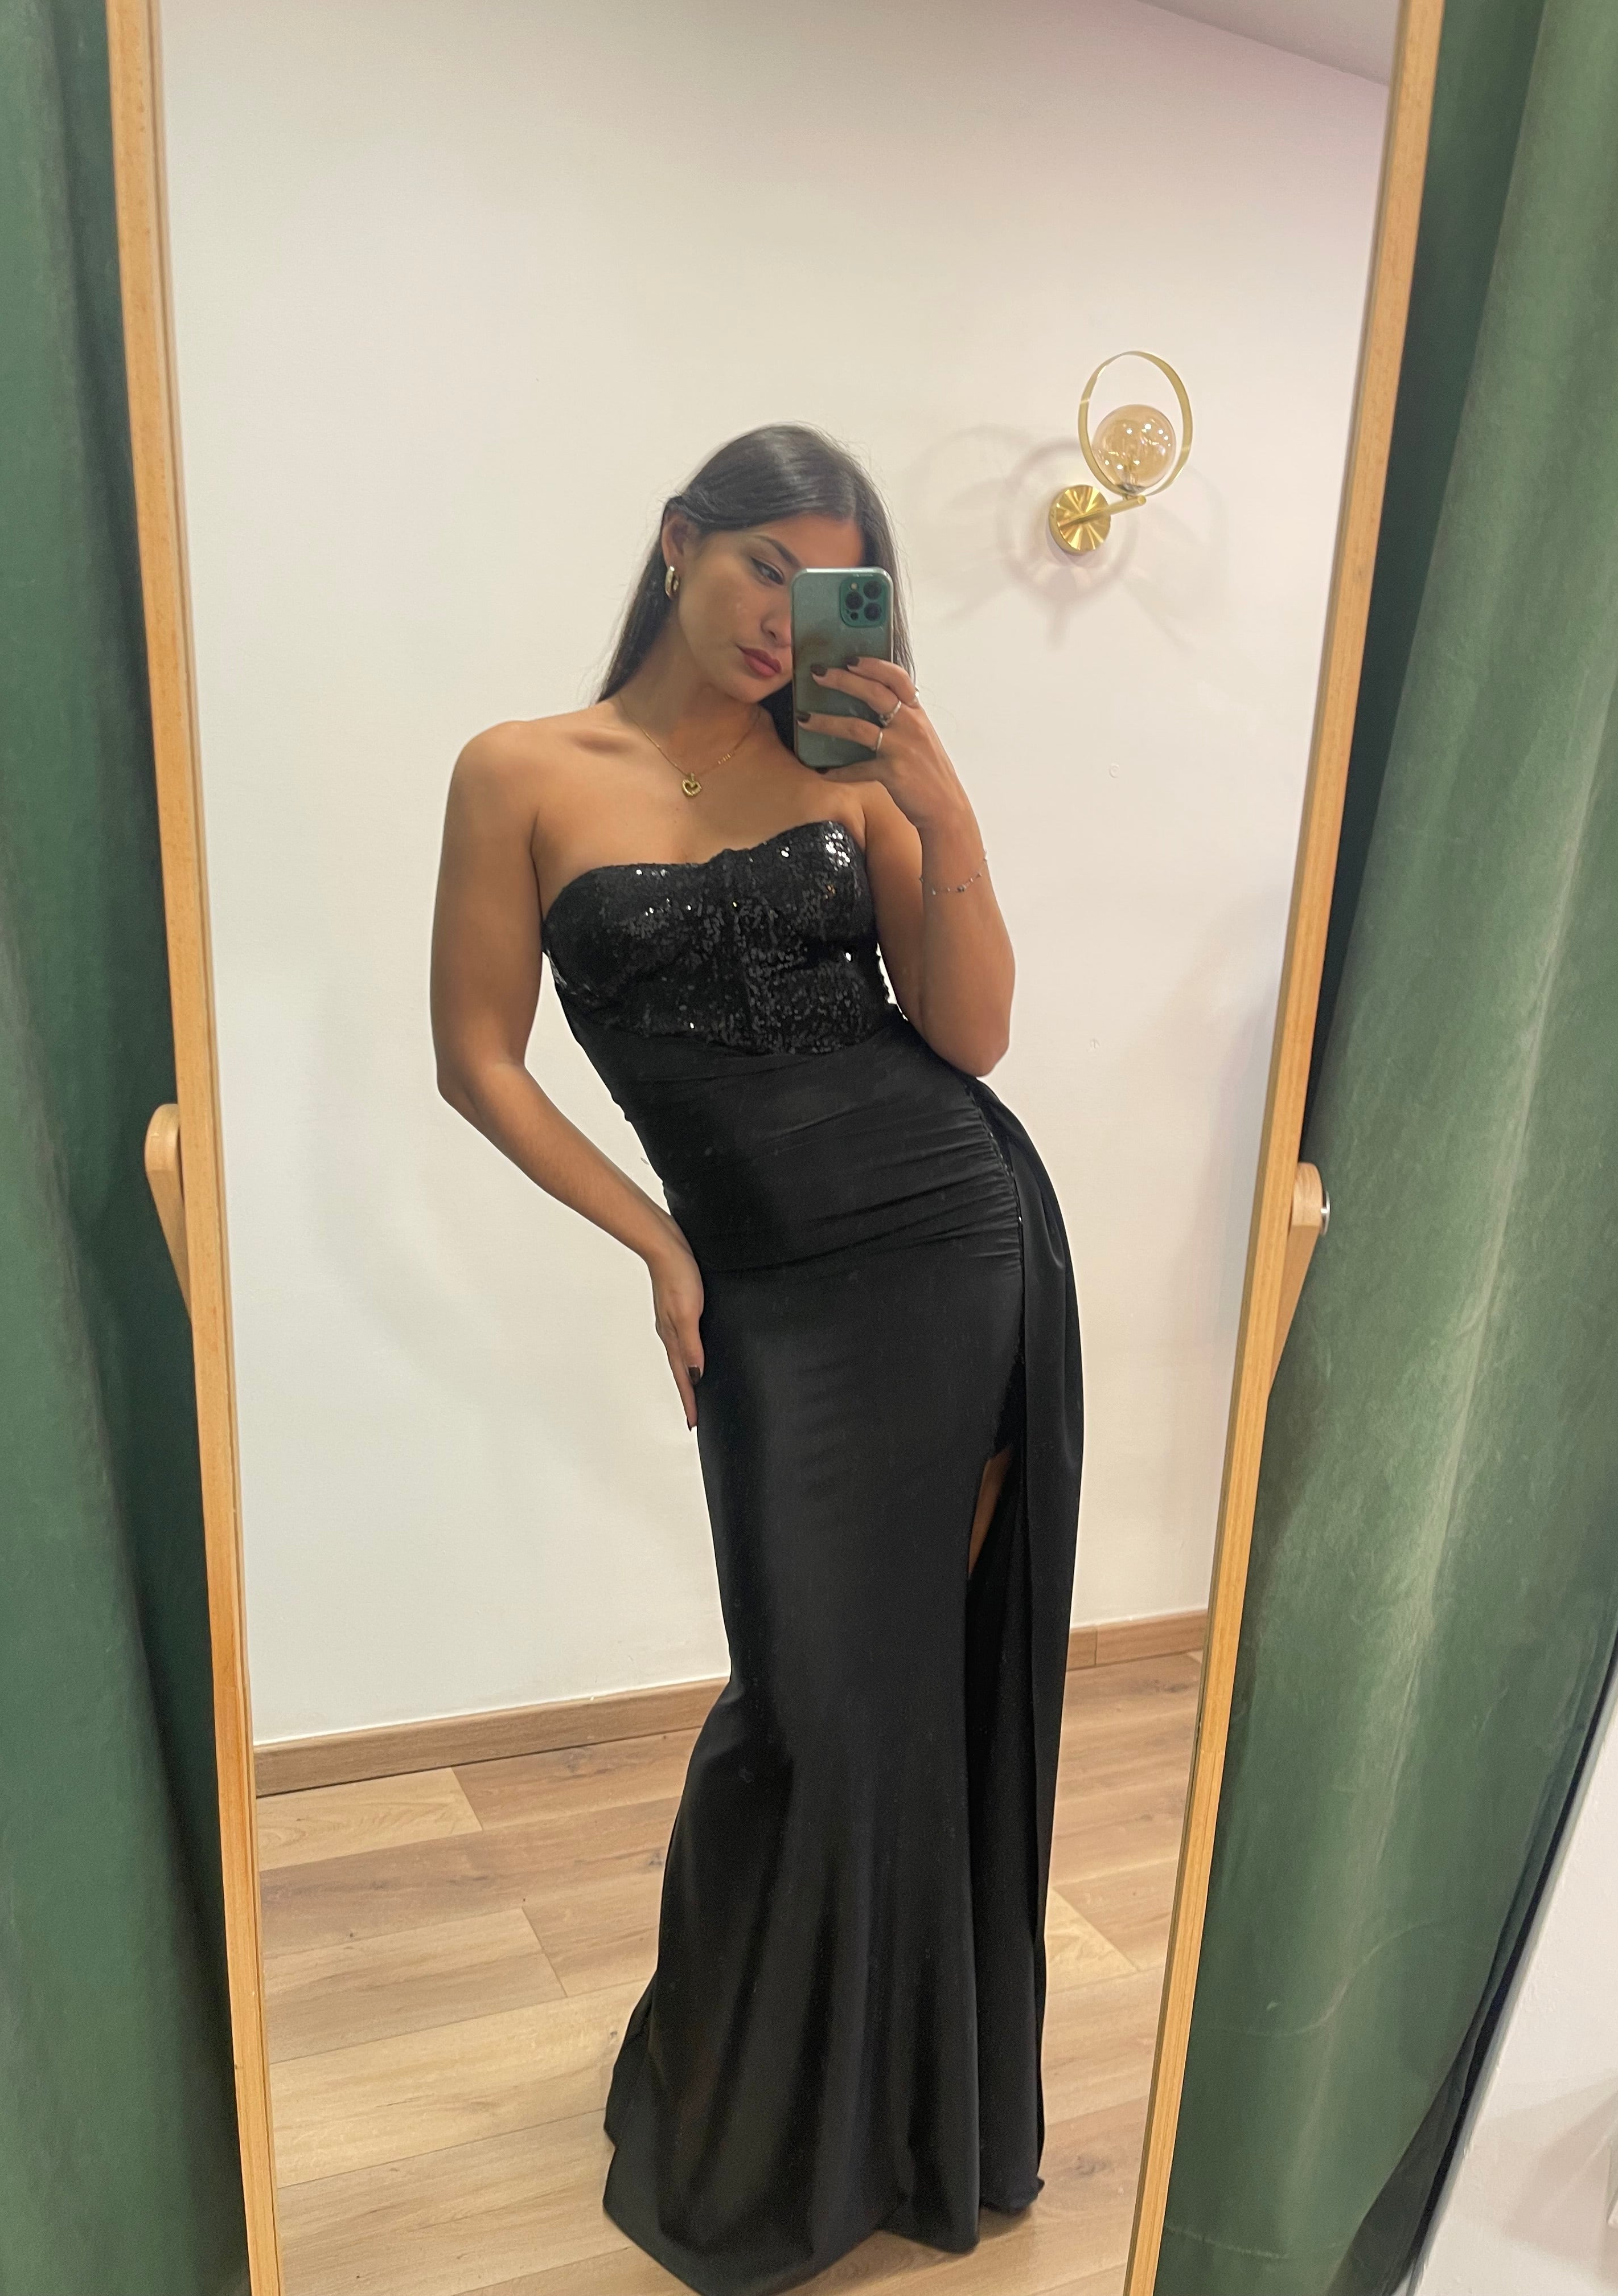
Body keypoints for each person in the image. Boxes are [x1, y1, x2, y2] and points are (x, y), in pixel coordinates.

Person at [429, 423, 1082, 2296]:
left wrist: (944, 812)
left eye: (827, 587)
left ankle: (906, 2128)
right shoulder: (522, 772)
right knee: (804, 1708)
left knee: (907, 1698)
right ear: (677, 544)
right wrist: (657, 1239)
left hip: (952, 1244)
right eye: (761, 569)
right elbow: (477, 1058)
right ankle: (759, 2123)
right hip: (767, 1289)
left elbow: (971, 1033)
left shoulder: (849, 770)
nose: (785, 622)